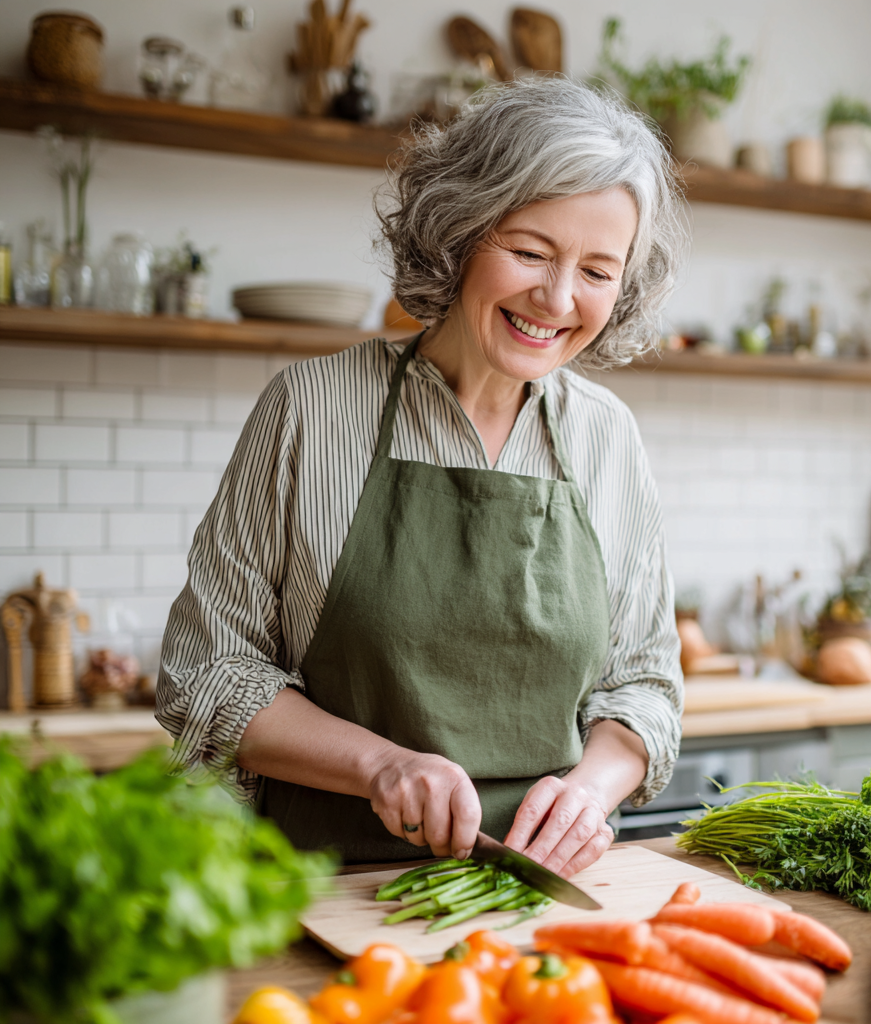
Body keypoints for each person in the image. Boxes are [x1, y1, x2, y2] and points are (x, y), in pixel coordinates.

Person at [157, 77, 686, 878]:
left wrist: (590, 791)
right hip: (322, 887)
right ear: (460, 230)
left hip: (535, 896)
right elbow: (206, 672)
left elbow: (644, 687)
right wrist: (382, 767)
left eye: (598, 271)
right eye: (530, 251)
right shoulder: (311, 409)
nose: (557, 297)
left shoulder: (608, 437)